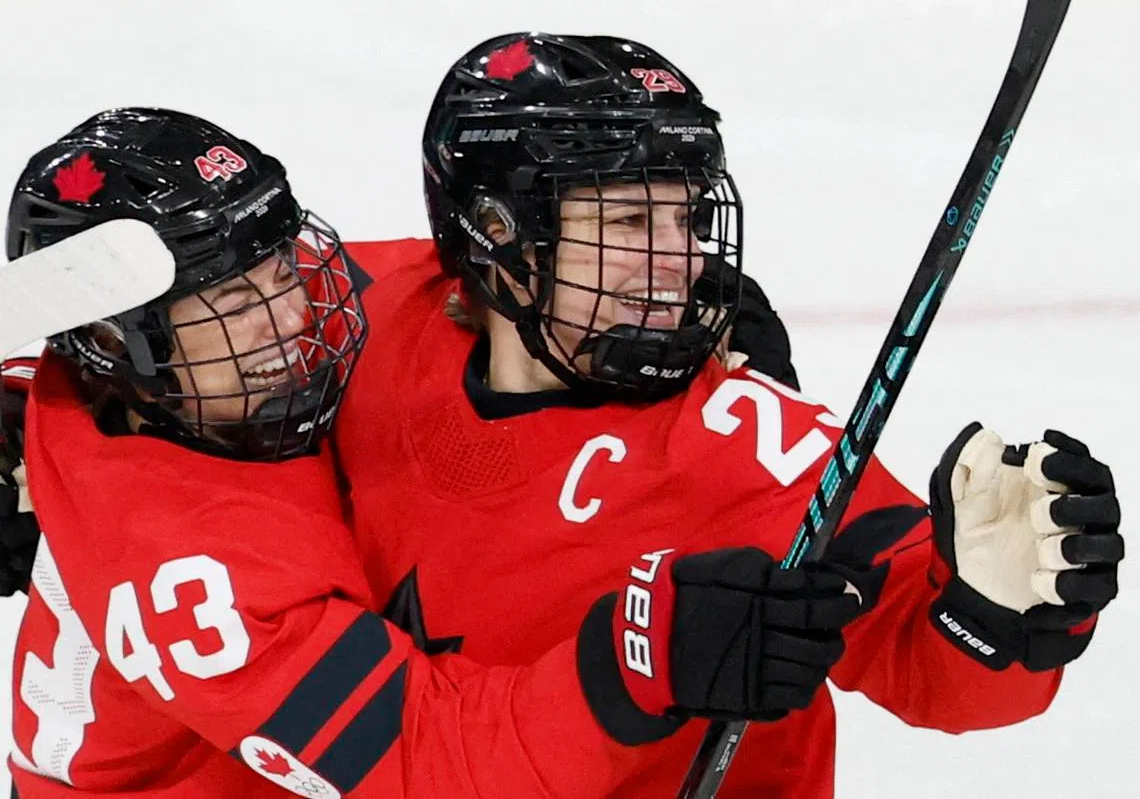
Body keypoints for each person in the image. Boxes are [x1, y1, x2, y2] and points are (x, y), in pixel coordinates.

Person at [330, 32, 1124, 796]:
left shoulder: (742, 441)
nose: (682, 260)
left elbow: (939, 675)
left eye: (688, 219)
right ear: (498, 234)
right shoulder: (373, 316)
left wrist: (998, 613)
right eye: (631, 224)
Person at [2, 107, 864, 798]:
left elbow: (407, 274)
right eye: (235, 299)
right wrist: (642, 659)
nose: (295, 318)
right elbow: (429, 760)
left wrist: (620, 298)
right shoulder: (189, 569)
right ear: (119, 342)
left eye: (278, 267)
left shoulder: (177, 384)